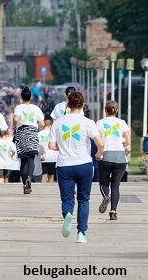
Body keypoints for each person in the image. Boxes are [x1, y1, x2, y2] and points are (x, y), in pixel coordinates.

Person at [48, 92, 104, 244]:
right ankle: (81, 233)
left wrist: (62, 147)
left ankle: (67, 214)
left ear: (67, 104)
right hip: (84, 165)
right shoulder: (88, 122)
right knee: (84, 199)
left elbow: (51, 146)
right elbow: (101, 143)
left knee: (67, 198)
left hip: (64, 166)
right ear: (83, 104)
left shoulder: (58, 123)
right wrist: (99, 154)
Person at [96, 100, 131, 220]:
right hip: (120, 157)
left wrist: (99, 152)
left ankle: (106, 196)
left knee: (103, 183)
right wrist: (121, 144)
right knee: (115, 186)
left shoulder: (100, 123)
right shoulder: (122, 123)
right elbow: (128, 141)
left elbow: (98, 140)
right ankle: (113, 212)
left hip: (105, 156)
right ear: (116, 110)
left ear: (105, 110)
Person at [13, 87, 45, 194]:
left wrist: (14, 125)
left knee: (23, 160)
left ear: (21, 97)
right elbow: (42, 124)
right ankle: (29, 177)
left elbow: (16, 119)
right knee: (31, 159)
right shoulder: (36, 108)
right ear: (31, 97)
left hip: (22, 133)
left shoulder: (19, 107)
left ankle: (24, 186)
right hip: (32, 133)